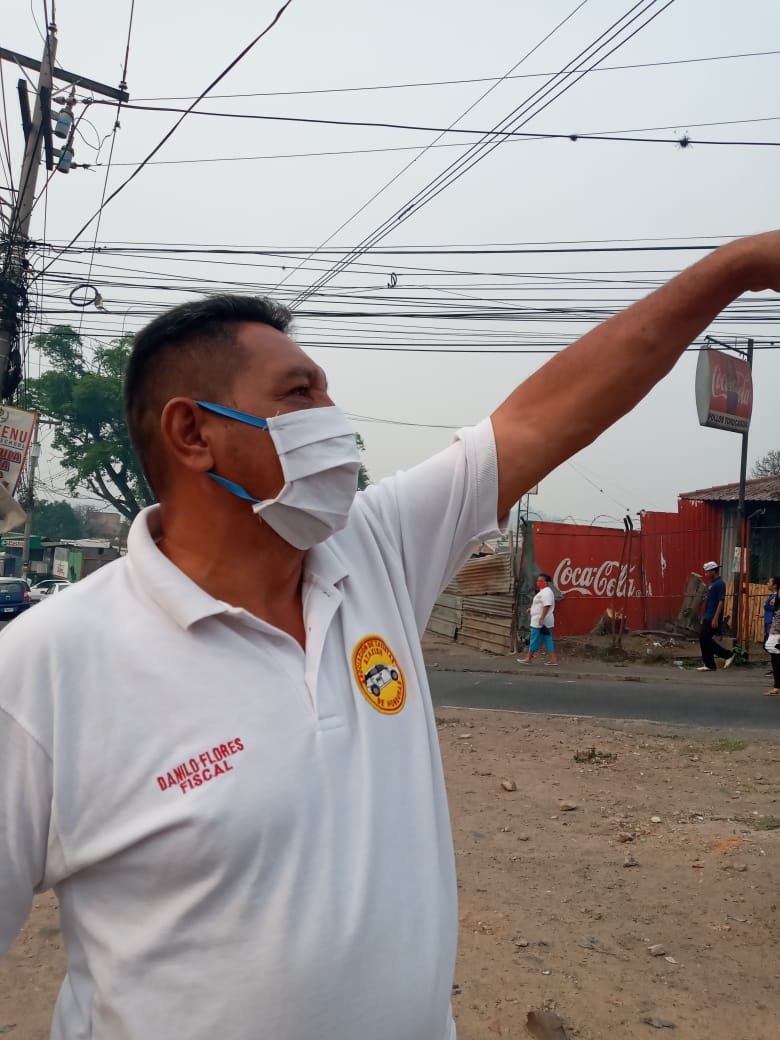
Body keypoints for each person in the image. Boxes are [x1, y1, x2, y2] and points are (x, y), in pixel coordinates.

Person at [2, 231, 780, 1040]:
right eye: (300, 394)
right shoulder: (48, 669)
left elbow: (552, 414)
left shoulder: (374, 553)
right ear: (193, 433)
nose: (334, 420)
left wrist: (739, 268)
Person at [697, 561, 735, 671]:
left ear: (713, 571)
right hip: (707, 616)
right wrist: (703, 616)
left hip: (713, 617)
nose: (705, 574)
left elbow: (721, 601)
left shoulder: (719, 583)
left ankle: (727, 655)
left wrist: (715, 618)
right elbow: (709, 602)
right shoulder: (713, 583)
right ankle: (709, 664)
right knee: (704, 639)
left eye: (707, 572)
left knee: (704, 638)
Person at [519, 573, 558, 665]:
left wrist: (542, 618)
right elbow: (540, 605)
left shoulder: (546, 592)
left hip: (540, 621)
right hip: (544, 621)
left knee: (534, 639)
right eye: (538, 581)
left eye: (541, 581)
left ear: (547, 582)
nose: (538, 582)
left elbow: (547, 605)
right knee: (548, 639)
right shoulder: (543, 591)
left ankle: (528, 658)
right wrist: (531, 609)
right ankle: (553, 660)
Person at [763, 577, 780, 695]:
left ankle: (777, 687)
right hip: (775, 630)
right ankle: (777, 687)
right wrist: (772, 629)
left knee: (777, 659)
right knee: (775, 657)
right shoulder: (776, 597)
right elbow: (775, 614)